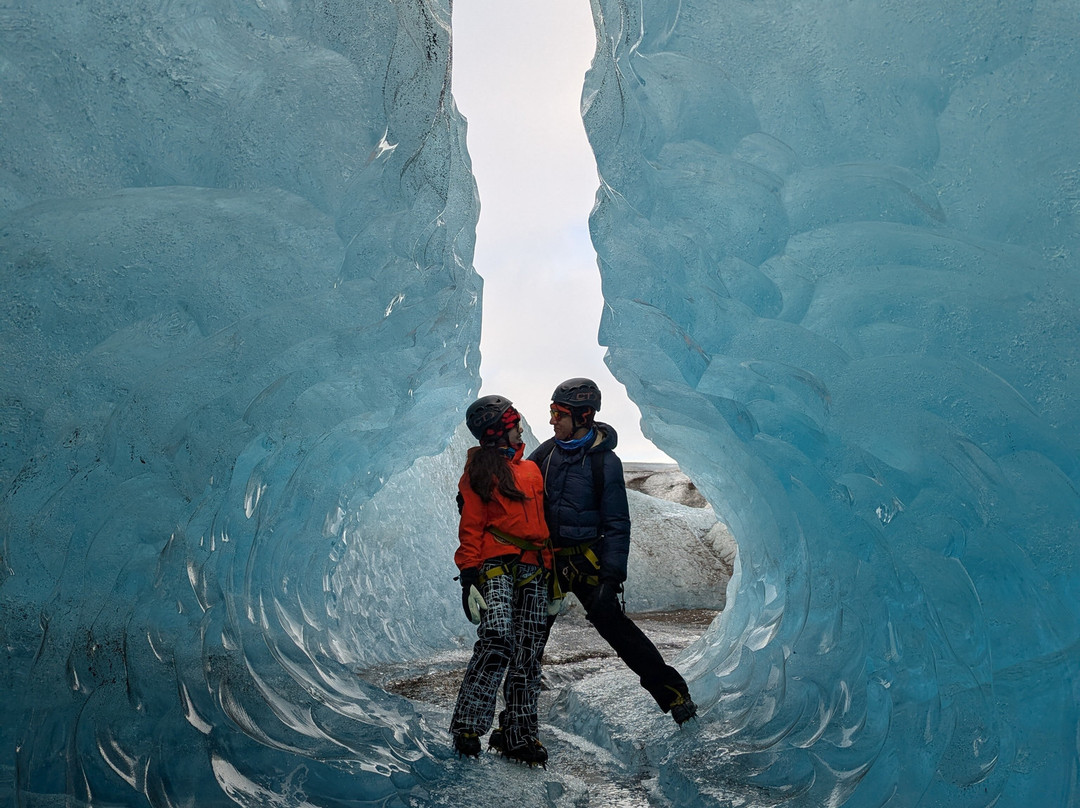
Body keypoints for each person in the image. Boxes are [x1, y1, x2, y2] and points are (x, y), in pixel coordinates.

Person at [529, 378, 697, 725]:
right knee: (530, 638)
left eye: (558, 414)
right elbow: (514, 484)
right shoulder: (547, 453)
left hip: (586, 563)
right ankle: (518, 714)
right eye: (552, 412)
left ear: (583, 416)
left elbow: (617, 523)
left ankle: (674, 695)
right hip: (549, 562)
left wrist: (611, 577)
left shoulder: (605, 462)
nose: (552, 420)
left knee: (619, 632)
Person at [450, 395, 552, 766]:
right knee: (496, 639)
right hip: (496, 565)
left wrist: (552, 574)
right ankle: (468, 725)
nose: (520, 429)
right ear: (496, 432)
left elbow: (542, 526)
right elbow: (471, 527)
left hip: (535, 568)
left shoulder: (531, 470)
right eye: (514, 424)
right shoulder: (478, 472)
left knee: (528, 653)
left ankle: (519, 734)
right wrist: (469, 577)